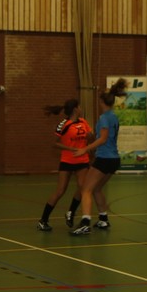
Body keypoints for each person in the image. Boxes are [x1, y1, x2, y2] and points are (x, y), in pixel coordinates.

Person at [70, 79, 127, 235]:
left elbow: (103, 138)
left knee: (86, 189)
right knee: (97, 189)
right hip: (114, 159)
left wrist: (85, 149)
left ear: (101, 102)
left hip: (104, 159)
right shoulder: (113, 116)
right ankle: (103, 218)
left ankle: (85, 223)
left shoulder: (104, 118)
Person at [37, 99, 91, 231]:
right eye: (79, 106)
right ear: (75, 109)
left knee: (83, 188)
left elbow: (90, 137)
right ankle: (43, 220)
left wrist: (91, 140)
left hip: (82, 160)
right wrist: (71, 148)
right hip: (68, 160)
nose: (81, 109)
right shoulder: (64, 124)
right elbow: (55, 143)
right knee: (60, 191)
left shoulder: (83, 122)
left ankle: (71, 212)